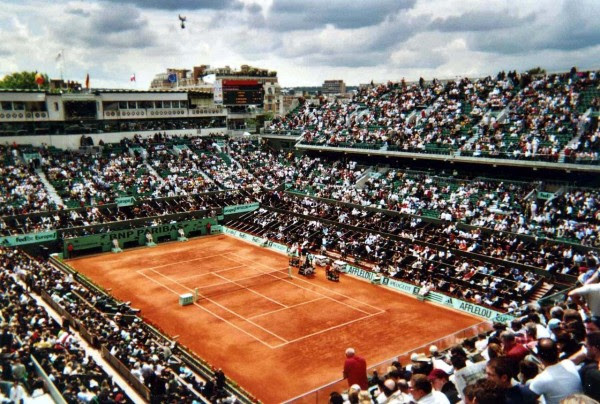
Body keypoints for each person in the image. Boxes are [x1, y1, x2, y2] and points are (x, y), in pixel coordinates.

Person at [526, 338, 582, 404]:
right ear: (558, 352)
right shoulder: (569, 363)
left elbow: (527, 400)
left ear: (539, 357)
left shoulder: (541, 379)